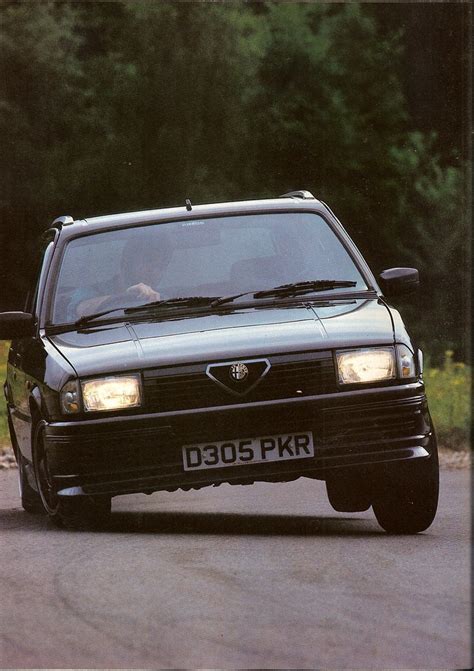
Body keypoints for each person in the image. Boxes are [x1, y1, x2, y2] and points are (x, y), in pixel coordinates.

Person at [68, 233, 170, 320]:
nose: (154, 271)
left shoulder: (162, 299)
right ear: (127, 262)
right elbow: (82, 309)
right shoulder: (88, 292)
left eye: (161, 266)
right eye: (149, 262)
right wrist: (125, 297)